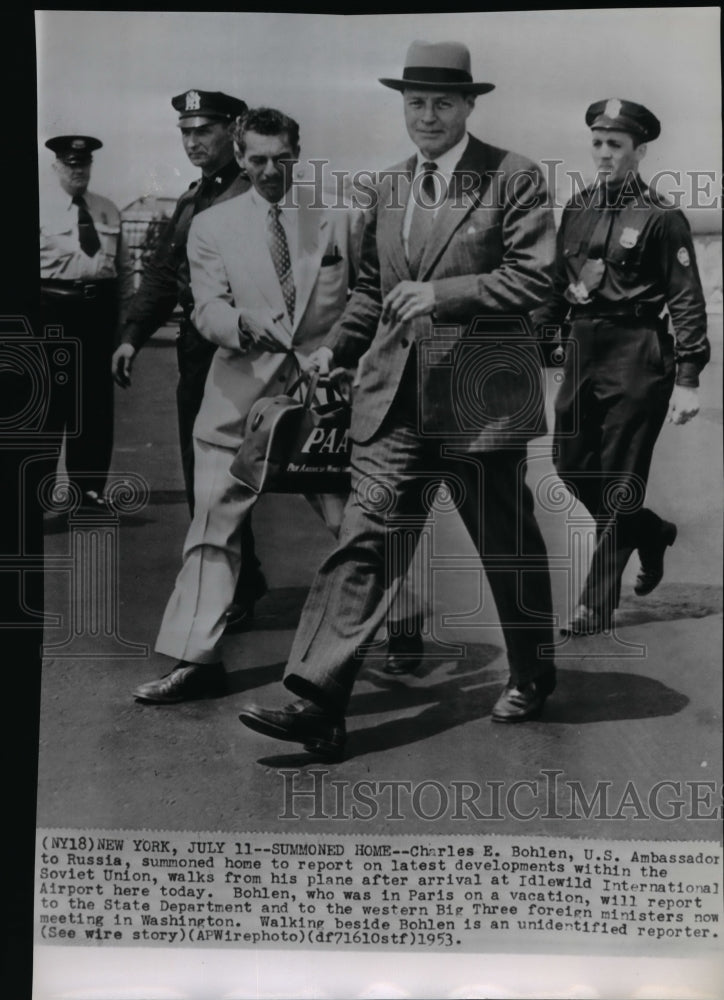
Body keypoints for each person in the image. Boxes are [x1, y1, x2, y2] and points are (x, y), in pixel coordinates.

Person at [238, 40, 558, 760]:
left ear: (470, 105)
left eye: (443, 102)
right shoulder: (385, 188)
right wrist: (336, 348)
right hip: (394, 401)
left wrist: (443, 296)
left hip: (480, 397)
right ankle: (317, 701)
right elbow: (372, 293)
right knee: (364, 540)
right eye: (415, 103)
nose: (428, 115)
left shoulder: (514, 177)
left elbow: (538, 279)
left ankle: (534, 670)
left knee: (505, 547)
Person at [133, 107, 364, 703]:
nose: (269, 171)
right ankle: (195, 660)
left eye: (281, 159)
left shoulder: (336, 217)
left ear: (298, 154)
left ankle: (400, 625)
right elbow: (205, 309)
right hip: (237, 401)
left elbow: (366, 296)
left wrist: (339, 357)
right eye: (256, 159)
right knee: (212, 532)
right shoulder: (213, 226)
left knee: (354, 526)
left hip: (322, 402)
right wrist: (240, 323)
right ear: (239, 157)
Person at [533, 99, 710, 635]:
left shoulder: (662, 217)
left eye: (616, 145)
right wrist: (536, 343)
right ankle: (648, 532)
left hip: (638, 351)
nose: (604, 153)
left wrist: (688, 377)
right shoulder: (578, 208)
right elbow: (558, 289)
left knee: (619, 481)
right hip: (583, 348)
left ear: (639, 151)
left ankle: (594, 602)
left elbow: (686, 300)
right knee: (569, 466)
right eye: (597, 143)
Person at [111, 90, 265, 627]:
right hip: (200, 354)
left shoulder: (256, 191)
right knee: (207, 474)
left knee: (296, 482)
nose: (193, 141)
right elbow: (160, 274)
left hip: (253, 353)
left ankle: (387, 611)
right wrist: (132, 334)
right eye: (185, 131)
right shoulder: (191, 199)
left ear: (233, 131)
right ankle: (240, 585)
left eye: (205, 130)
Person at [40, 135, 134, 509]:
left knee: (93, 407)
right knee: (47, 407)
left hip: (99, 315)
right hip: (50, 314)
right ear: (56, 167)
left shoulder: (108, 210)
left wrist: (125, 326)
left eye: (84, 164)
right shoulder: (38, 207)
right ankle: (36, 496)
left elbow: (125, 272)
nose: (77, 171)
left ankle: (88, 493)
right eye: (69, 164)